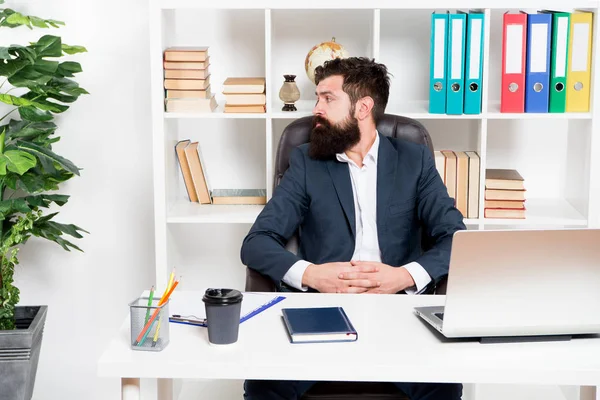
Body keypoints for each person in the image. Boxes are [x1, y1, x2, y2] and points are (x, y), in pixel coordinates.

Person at [240, 57, 466, 400]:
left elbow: (455, 238)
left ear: (363, 107)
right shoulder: (306, 161)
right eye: (317, 98)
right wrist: (313, 275)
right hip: (323, 310)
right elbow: (256, 243)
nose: (316, 108)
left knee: (444, 383)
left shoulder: (413, 160)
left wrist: (404, 276)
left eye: (328, 99)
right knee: (264, 385)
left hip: (397, 311)